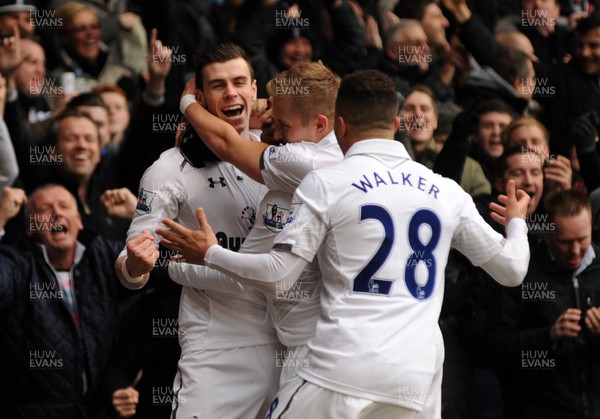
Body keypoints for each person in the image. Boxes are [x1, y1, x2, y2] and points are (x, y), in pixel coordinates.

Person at [158, 69, 531, 418]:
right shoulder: (447, 192)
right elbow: (512, 269)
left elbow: (276, 276)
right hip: (416, 376)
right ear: (397, 125)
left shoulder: (327, 183)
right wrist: (516, 222)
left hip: (339, 367)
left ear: (339, 125)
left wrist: (210, 252)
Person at [114, 43, 279, 418]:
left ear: (255, 91)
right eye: (218, 86)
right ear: (201, 97)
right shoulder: (169, 169)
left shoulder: (282, 157)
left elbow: (323, 112)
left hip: (288, 344)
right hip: (217, 349)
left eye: (240, 83)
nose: (231, 93)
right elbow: (128, 264)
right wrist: (137, 265)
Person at [0, 183, 130, 418]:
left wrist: (139, 215)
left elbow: (169, 269)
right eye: (44, 209)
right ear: (30, 228)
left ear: (79, 221)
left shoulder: (100, 255)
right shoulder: (17, 262)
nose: (56, 213)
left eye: (64, 206)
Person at [487, 189, 600, 418]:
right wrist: (549, 336)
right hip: (539, 409)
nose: (575, 251)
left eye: (582, 240)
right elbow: (496, 346)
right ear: (547, 233)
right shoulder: (520, 272)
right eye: (566, 242)